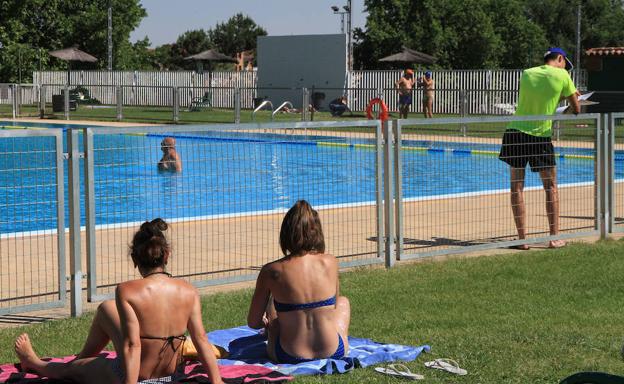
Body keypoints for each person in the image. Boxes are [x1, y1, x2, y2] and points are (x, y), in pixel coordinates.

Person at [14, 219, 223, 384]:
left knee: (73, 370)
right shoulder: (189, 291)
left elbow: (133, 344)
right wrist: (217, 380)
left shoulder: (127, 291)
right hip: (171, 374)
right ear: (167, 255)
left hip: (136, 377)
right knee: (106, 309)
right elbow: (201, 339)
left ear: (134, 259)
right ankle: (81, 358)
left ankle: (34, 362)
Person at [247, 200, 351, 363]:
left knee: (274, 307)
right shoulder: (331, 262)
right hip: (333, 351)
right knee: (344, 302)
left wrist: (269, 323)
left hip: (288, 354)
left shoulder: (271, 271)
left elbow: (253, 322)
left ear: (285, 233)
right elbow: (335, 305)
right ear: (317, 231)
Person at [498, 47, 580, 250]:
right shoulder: (562, 75)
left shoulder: (527, 73)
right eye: (565, 65)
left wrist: (558, 97)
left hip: (515, 132)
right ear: (560, 59)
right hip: (540, 136)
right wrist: (571, 97)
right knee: (550, 187)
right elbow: (576, 109)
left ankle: (522, 240)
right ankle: (553, 238)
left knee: (516, 187)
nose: (565, 69)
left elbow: (538, 98)